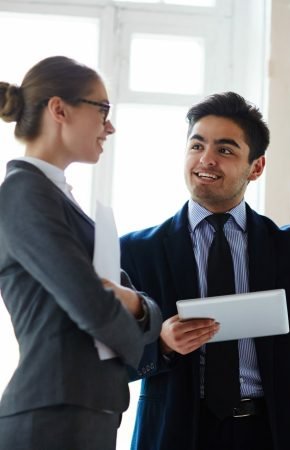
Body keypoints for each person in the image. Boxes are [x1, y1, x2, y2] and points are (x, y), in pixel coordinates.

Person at [120, 91, 290, 450]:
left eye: (225, 150)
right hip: (177, 434)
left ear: (257, 167)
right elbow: (103, 360)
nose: (206, 160)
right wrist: (161, 345)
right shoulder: (137, 251)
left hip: (275, 434)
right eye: (196, 145)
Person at [0, 56, 161, 450]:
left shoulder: (57, 198)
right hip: (51, 417)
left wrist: (138, 308)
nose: (110, 126)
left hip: (80, 413)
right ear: (59, 109)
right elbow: (90, 301)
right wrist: (143, 338)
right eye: (102, 109)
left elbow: (124, 296)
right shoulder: (23, 193)